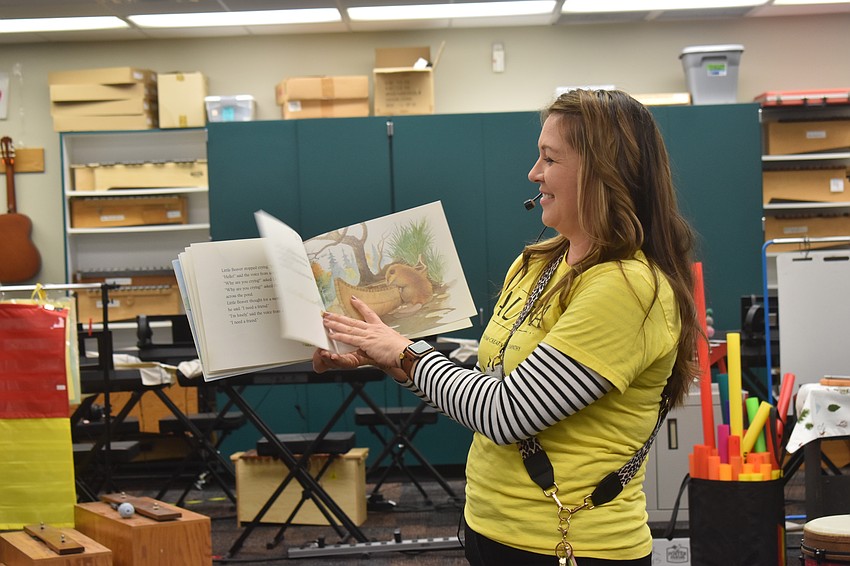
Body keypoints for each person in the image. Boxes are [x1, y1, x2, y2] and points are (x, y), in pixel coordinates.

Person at [312, 88, 700, 565]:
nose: (534, 173)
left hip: (572, 548)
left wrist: (406, 354)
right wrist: (388, 356)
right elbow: (490, 375)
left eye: (549, 159)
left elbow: (507, 412)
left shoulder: (627, 287)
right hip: (491, 528)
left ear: (602, 173)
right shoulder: (538, 263)